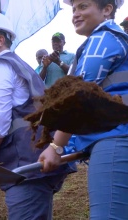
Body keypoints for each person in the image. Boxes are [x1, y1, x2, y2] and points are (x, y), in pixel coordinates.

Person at [0, 12, 72, 220]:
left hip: (26, 166)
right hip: (35, 161)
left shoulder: (2, 66)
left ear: (0, 40)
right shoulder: (14, 64)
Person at [39, 0, 128, 219]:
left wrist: (56, 146)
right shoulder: (114, 39)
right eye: (74, 8)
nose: (76, 14)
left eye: (83, 6)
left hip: (115, 139)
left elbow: (80, 97)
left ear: (107, 9)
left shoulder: (102, 40)